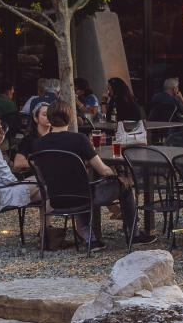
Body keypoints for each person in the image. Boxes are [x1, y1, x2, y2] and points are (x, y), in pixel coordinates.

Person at [34, 101, 147, 250]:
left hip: (56, 199)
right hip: (83, 197)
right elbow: (103, 171)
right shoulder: (79, 139)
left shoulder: (39, 144)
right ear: (70, 118)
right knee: (123, 185)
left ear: (49, 118)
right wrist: (117, 176)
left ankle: (90, 239)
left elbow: (41, 172)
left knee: (78, 187)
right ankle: (134, 233)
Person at [12, 102, 53, 172]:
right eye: (45, 115)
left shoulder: (56, 137)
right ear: (36, 118)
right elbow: (18, 163)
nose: (49, 117)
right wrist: (39, 163)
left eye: (51, 114)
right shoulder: (29, 139)